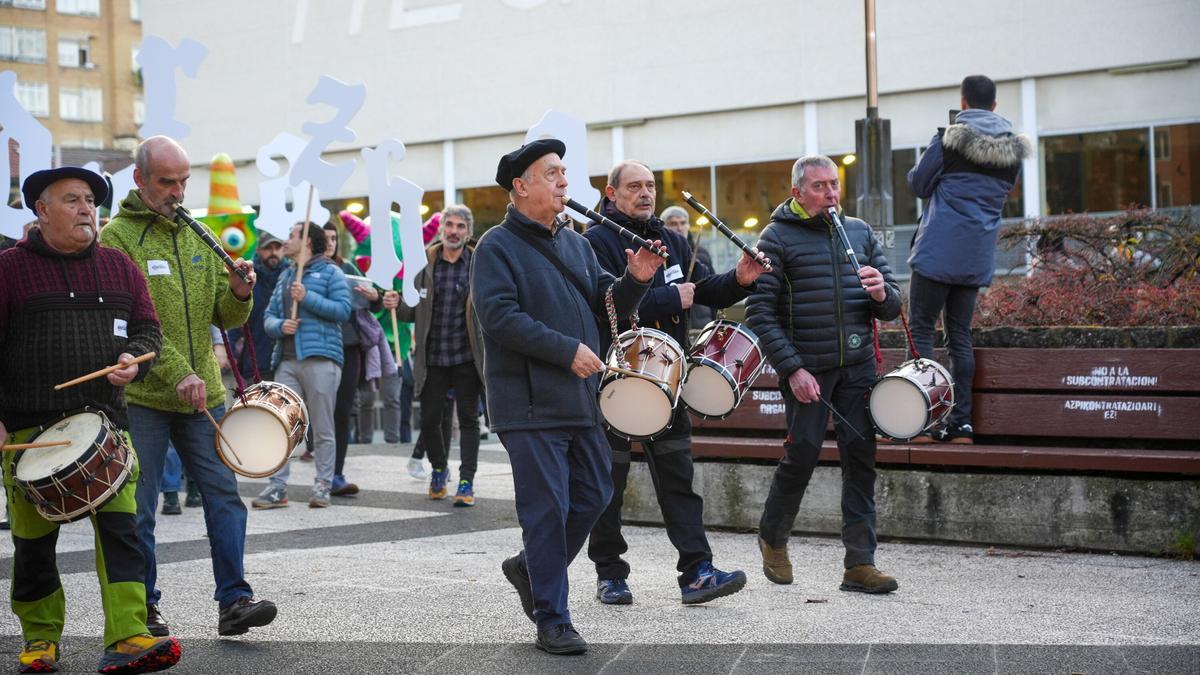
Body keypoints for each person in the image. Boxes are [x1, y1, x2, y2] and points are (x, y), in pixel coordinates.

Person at [472, 139, 663, 655]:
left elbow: (610, 307)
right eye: (552, 173)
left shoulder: (576, 243)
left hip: (580, 400)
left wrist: (637, 280)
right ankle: (552, 617)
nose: (563, 181)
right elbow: (499, 318)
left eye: (564, 172)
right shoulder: (495, 247)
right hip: (528, 405)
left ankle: (529, 568)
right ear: (521, 185)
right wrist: (566, 351)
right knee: (546, 511)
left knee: (595, 495)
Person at [1, 166, 180, 673]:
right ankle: (39, 639)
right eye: (73, 200)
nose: (87, 210)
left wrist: (135, 359)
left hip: (106, 424)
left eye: (91, 202)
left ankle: (128, 636)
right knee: (33, 544)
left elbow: (148, 330)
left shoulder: (120, 266)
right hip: (30, 433)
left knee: (122, 532)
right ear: (42, 210)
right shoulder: (8, 269)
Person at [100, 135, 277, 638]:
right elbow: (135, 322)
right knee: (140, 506)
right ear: (139, 181)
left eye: (183, 181)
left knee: (224, 496)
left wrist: (241, 291)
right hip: (144, 397)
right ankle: (144, 607)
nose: (178, 192)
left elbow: (224, 312)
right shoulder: (117, 240)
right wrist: (178, 371)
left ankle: (235, 601)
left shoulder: (197, 232)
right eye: (166, 182)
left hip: (204, 392)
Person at [583, 161, 766, 606]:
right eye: (634, 186)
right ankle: (610, 573)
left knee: (679, 480)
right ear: (611, 193)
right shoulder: (596, 241)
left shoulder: (674, 239)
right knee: (611, 482)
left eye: (649, 185)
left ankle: (697, 571)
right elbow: (602, 304)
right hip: (620, 376)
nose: (645, 193)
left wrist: (739, 281)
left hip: (670, 377)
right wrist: (669, 296)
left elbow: (699, 292)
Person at [745, 155, 902, 594]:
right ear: (797, 193)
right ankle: (773, 537)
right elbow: (759, 310)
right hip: (807, 368)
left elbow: (891, 304)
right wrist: (792, 368)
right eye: (819, 186)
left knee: (861, 456)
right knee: (804, 453)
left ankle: (860, 563)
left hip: (857, 366)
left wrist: (882, 293)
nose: (830, 193)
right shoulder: (776, 237)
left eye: (834, 184)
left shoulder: (859, 232)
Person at [907, 75, 1031, 444]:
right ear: (994, 106)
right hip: (976, 254)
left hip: (936, 251)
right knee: (959, 335)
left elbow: (917, 184)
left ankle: (923, 421)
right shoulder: (1012, 153)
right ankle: (962, 424)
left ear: (963, 103)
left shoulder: (948, 140)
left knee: (921, 330)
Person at [383, 205, 484, 506]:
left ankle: (467, 481)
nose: (454, 231)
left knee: (468, 420)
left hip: (468, 357)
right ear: (441, 229)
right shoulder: (423, 263)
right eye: (449, 225)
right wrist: (395, 302)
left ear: (468, 231)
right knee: (429, 420)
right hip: (432, 357)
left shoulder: (478, 263)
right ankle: (439, 469)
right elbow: (410, 312)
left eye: (460, 226)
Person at [252, 222, 352, 509]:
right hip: (287, 359)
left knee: (322, 427)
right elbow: (269, 316)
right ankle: (277, 486)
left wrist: (307, 297)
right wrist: (281, 325)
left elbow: (343, 310)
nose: (286, 240)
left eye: (292, 235)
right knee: (281, 425)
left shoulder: (331, 272)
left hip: (321, 358)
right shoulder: (286, 276)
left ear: (308, 241)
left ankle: (323, 485)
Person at [322, 221, 382, 496]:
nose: (331, 243)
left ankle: (336, 473)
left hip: (349, 347)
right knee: (319, 412)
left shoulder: (347, 268)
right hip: (319, 348)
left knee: (343, 411)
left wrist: (375, 296)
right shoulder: (302, 271)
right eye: (325, 238)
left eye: (334, 238)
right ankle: (322, 468)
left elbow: (373, 296)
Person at [228, 231, 287, 382]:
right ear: (259, 250)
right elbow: (236, 315)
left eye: (277, 247)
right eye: (268, 248)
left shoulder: (291, 277)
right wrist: (231, 352)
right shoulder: (247, 277)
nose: (273, 252)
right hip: (256, 363)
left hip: (286, 363)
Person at [660, 205, 715, 329]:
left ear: (688, 226)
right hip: (675, 323)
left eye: (683, 223)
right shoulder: (660, 254)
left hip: (702, 323)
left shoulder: (701, 253)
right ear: (664, 227)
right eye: (673, 223)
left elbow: (712, 287)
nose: (679, 228)